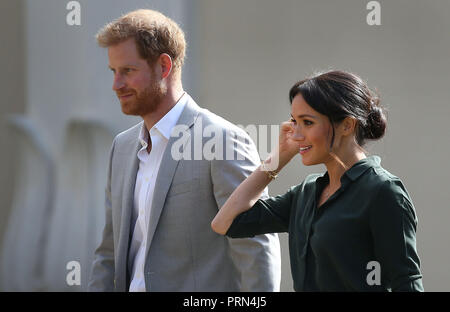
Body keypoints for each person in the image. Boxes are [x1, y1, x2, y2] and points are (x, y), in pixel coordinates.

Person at [88, 9, 281, 292]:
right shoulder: (122, 147)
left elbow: (255, 251)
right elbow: (108, 252)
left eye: (128, 71)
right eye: (114, 72)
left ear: (164, 67)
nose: (116, 84)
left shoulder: (222, 140)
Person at [212, 70, 424, 291]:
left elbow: (406, 282)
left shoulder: (383, 192)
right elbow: (224, 223)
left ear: (347, 125)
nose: (295, 135)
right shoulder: (305, 194)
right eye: (294, 121)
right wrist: (277, 159)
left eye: (308, 122)